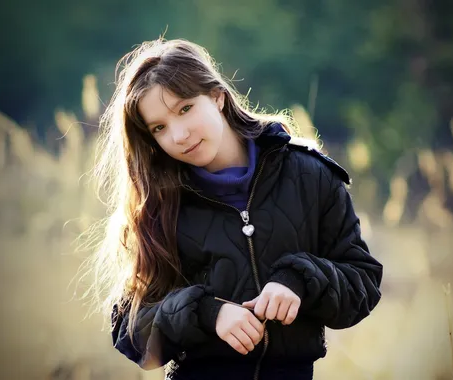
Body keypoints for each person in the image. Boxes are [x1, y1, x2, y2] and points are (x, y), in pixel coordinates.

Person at [85, 37, 383, 380]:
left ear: (217, 96)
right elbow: (128, 326)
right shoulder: (158, 203)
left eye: (185, 108)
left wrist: (299, 280)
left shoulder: (309, 175)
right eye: (159, 128)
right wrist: (207, 314)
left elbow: (363, 281)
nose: (179, 134)